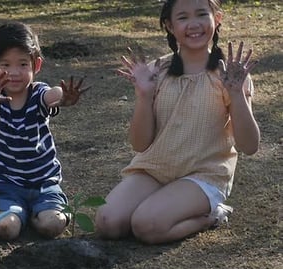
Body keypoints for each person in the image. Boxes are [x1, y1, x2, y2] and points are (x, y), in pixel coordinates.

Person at [95, 0, 260, 244]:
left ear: (218, 18)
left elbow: (249, 146)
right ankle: (166, 201)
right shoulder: (156, 71)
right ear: (170, 26)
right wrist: (144, 97)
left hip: (204, 174)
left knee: (146, 226)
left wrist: (236, 94)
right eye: (182, 17)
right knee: (108, 223)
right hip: (154, 169)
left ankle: (212, 215)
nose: (194, 24)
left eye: (202, 14)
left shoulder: (229, 75)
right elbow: (140, 144)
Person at [0, 22, 89, 240]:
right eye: (5, 65)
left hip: (45, 184)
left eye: (23, 64)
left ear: (36, 65)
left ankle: (30, 214)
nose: (15, 73)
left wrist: (62, 98)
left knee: (52, 225)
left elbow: (52, 94)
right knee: (5, 230)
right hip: (8, 185)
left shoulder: (38, 95)